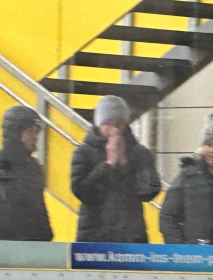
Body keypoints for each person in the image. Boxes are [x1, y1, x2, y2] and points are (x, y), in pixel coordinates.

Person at [70, 95, 161, 243]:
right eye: (108, 124)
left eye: (119, 124)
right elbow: (82, 191)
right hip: (94, 235)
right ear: (98, 125)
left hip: (131, 235)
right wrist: (108, 165)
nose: (115, 129)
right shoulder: (84, 152)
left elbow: (150, 190)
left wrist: (125, 165)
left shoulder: (140, 152)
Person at [0, 105, 52, 241]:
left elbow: (39, 211)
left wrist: (45, 239)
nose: (35, 137)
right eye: (30, 131)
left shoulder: (34, 168)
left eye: (37, 132)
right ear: (15, 132)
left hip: (29, 249)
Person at [160, 116, 213, 244]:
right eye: (209, 144)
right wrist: (180, 249)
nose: (212, 150)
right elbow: (168, 217)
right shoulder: (188, 176)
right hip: (196, 253)